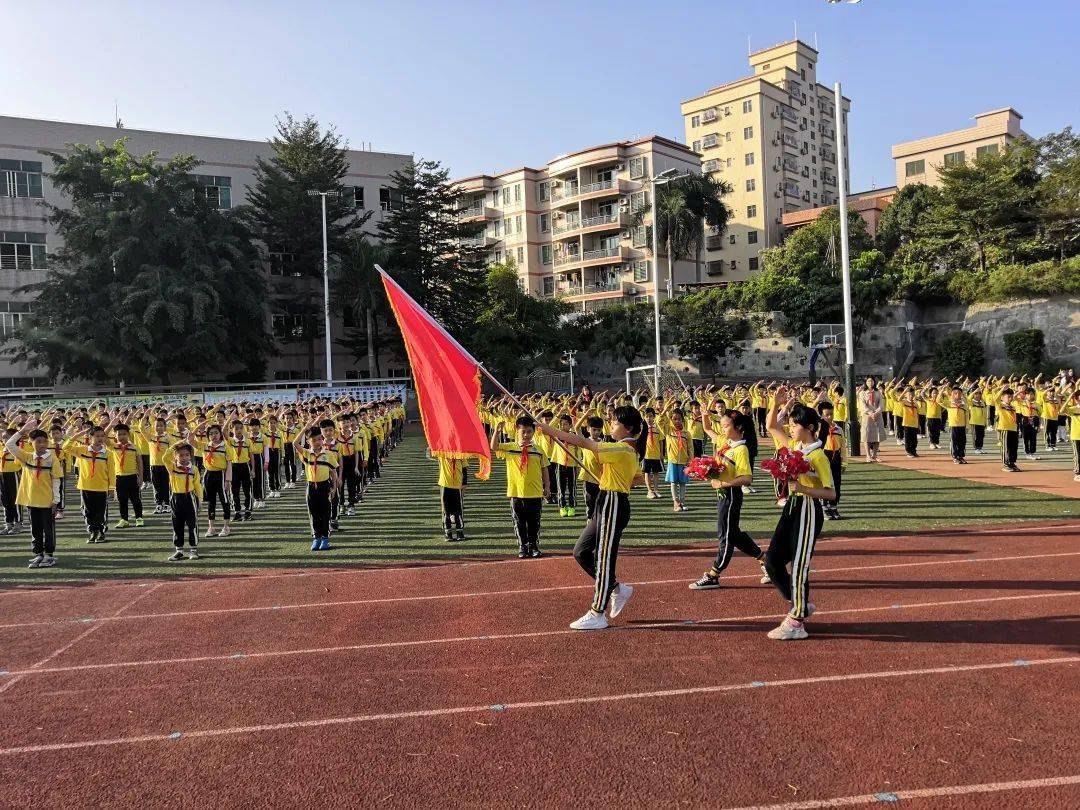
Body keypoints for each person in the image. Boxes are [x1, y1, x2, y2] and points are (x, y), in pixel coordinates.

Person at [537, 404, 643, 631]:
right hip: (606, 500)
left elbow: (584, 442)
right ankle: (616, 587)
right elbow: (637, 479)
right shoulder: (624, 451)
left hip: (614, 503)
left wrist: (550, 431)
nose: (611, 425)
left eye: (615, 422)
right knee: (581, 551)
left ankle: (597, 612)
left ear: (628, 428)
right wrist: (612, 476)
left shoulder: (623, 450)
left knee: (604, 558)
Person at [762, 388, 836, 641]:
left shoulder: (818, 456)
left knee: (800, 565)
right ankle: (799, 602)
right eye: (791, 425)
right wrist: (774, 403)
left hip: (808, 509)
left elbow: (831, 493)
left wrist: (803, 487)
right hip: (792, 508)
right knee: (771, 561)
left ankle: (796, 620)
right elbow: (772, 426)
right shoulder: (796, 447)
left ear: (811, 427)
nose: (791, 428)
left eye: (795, 425)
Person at [690, 409, 765, 590]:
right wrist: (704, 413)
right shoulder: (726, 442)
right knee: (734, 534)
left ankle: (714, 574)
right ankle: (766, 561)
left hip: (731, 496)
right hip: (723, 496)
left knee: (726, 536)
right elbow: (708, 429)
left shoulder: (741, 449)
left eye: (725, 426)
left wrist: (723, 484)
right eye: (721, 426)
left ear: (738, 427)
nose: (722, 429)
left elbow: (747, 478)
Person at [491, 415, 550, 559]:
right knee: (519, 521)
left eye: (529, 431)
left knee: (534, 522)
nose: (526, 435)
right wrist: (497, 432)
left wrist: (547, 486)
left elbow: (545, 469)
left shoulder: (538, 449)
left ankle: (534, 545)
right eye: (523, 431)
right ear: (517, 430)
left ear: (534, 432)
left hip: (535, 492)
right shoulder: (511, 447)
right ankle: (522, 546)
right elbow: (494, 447)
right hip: (516, 492)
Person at [5, 420, 62, 568]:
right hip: (31, 499)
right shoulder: (27, 457)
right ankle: (38, 554)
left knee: (48, 529)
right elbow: (10, 445)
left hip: (47, 500)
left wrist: (56, 499)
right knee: (35, 528)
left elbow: (56, 479)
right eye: (38, 441)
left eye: (44, 441)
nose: (42, 444)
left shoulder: (52, 459)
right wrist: (22, 431)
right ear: (31, 443)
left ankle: (49, 554)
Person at [294, 419, 340, 551]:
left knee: (325, 513)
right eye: (313, 440)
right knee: (313, 513)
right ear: (308, 442)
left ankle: (325, 538)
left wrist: (334, 488)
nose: (317, 442)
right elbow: (294, 443)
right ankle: (316, 538)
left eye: (319, 439)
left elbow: (333, 473)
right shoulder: (307, 454)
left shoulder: (328, 455)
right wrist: (304, 429)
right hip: (311, 487)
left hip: (325, 486)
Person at [65, 424, 115, 544]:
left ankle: (101, 532)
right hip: (85, 486)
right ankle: (92, 531)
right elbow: (65, 448)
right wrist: (77, 435)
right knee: (87, 510)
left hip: (101, 486)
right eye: (97, 436)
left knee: (101, 511)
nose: (100, 438)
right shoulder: (83, 450)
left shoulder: (108, 453)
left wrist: (111, 487)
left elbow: (111, 472)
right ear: (91, 437)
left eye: (102, 436)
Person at [162, 439, 203, 562]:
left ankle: (193, 549)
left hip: (190, 498)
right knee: (177, 524)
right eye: (180, 455)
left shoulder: (194, 469)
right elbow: (164, 458)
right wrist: (175, 445)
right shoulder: (172, 467)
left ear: (190, 456)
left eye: (187, 455)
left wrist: (200, 500)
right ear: (175, 456)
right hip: (176, 498)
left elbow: (197, 485)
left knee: (192, 524)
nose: (184, 458)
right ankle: (179, 550)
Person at [110, 422, 145, 528]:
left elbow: (140, 463)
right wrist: (111, 424)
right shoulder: (114, 447)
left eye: (124, 434)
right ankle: (124, 519)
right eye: (119, 434)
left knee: (136, 499)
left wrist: (141, 478)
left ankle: (139, 518)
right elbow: (105, 439)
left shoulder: (134, 447)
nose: (122, 436)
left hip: (132, 477)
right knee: (122, 500)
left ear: (128, 434)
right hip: (119, 477)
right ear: (115, 435)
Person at [436, 455, 469, 541]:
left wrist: (464, 483)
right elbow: (433, 448)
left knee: (458, 510)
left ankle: (460, 532)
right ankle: (448, 532)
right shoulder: (442, 452)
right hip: (445, 484)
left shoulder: (460, 453)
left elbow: (464, 469)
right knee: (446, 510)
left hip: (457, 485)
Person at [859, 377, 884, 462]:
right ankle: (868, 455)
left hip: (877, 416)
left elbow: (881, 405)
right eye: (868, 381)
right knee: (867, 436)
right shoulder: (862, 393)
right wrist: (870, 413)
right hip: (867, 417)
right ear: (865, 382)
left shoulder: (878, 393)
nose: (870, 382)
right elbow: (863, 405)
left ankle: (875, 455)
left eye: (872, 381)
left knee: (877, 435)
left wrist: (876, 412)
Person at [996, 388, 1020, 472]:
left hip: (1013, 428)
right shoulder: (1000, 405)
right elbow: (996, 398)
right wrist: (1002, 389)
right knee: (1006, 447)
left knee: (1013, 447)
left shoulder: (1013, 407)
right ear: (1002, 397)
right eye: (1008, 396)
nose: (1010, 398)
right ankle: (1006, 463)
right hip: (1004, 428)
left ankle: (1012, 462)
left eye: (1011, 397)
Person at [946, 386, 969, 464]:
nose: (957, 395)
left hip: (962, 425)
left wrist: (967, 426)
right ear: (952, 394)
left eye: (959, 393)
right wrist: (943, 389)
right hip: (953, 425)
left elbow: (967, 415)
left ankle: (961, 456)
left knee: (962, 442)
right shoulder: (949, 403)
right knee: (954, 442)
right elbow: (939, 400)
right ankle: (955, 457)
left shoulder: (964, 404)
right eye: (955, 393)